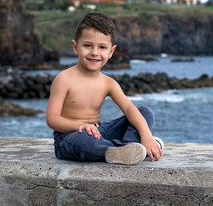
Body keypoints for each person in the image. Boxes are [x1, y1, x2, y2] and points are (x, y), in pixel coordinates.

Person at [46, 12, 163, 165]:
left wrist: (146, 134)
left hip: (99, 132)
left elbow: (128, 109)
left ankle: (132, 147)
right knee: (85, 140)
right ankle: (123, 149)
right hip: (69, 138)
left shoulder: (109, 83)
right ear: (76, 47)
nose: (94, 52)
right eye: (88, 45)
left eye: (102, 47)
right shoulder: (64, 79)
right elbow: (52, 119)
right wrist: (79, 125)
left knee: (144, 112)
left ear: (111, 52)